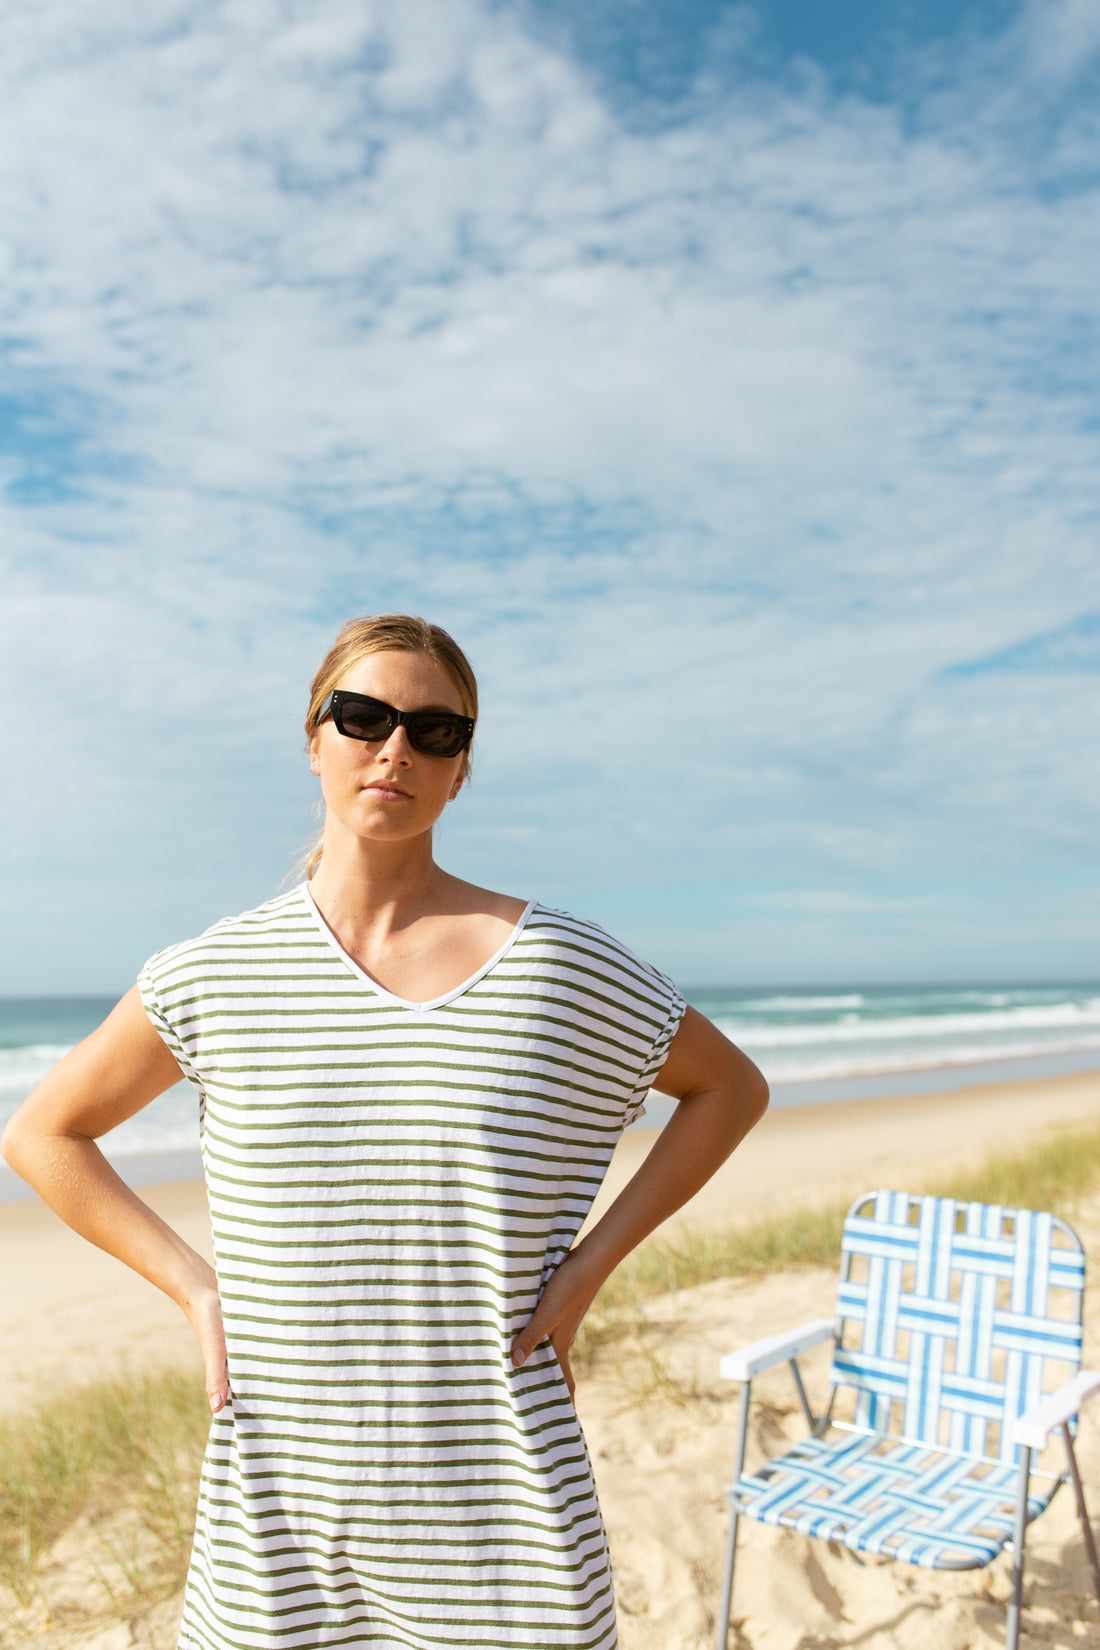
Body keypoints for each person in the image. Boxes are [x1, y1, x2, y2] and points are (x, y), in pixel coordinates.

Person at [2, 614, 768, 1650]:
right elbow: (44, 1134)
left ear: (460, 771)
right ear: (313, 740)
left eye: (434, 732)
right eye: (362, 718)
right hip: (274, 1534)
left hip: (509, 1539)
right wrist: (195, 1285)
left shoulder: (556, 964)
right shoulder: (212, 974)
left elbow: (727, 1089)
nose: (395, 748)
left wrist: (584, 1274)